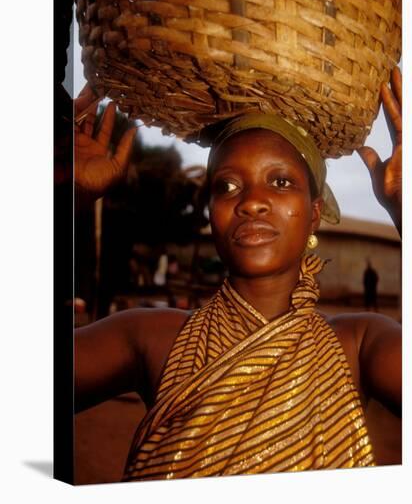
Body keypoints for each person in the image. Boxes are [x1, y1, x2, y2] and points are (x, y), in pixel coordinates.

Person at [74, 68, 402, 480]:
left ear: (315, 213)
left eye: (280, 181)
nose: (252, 202)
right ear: (211, 212)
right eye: (227, 187)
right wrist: (62, 198)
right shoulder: (149, 336)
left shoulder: (360, 345)